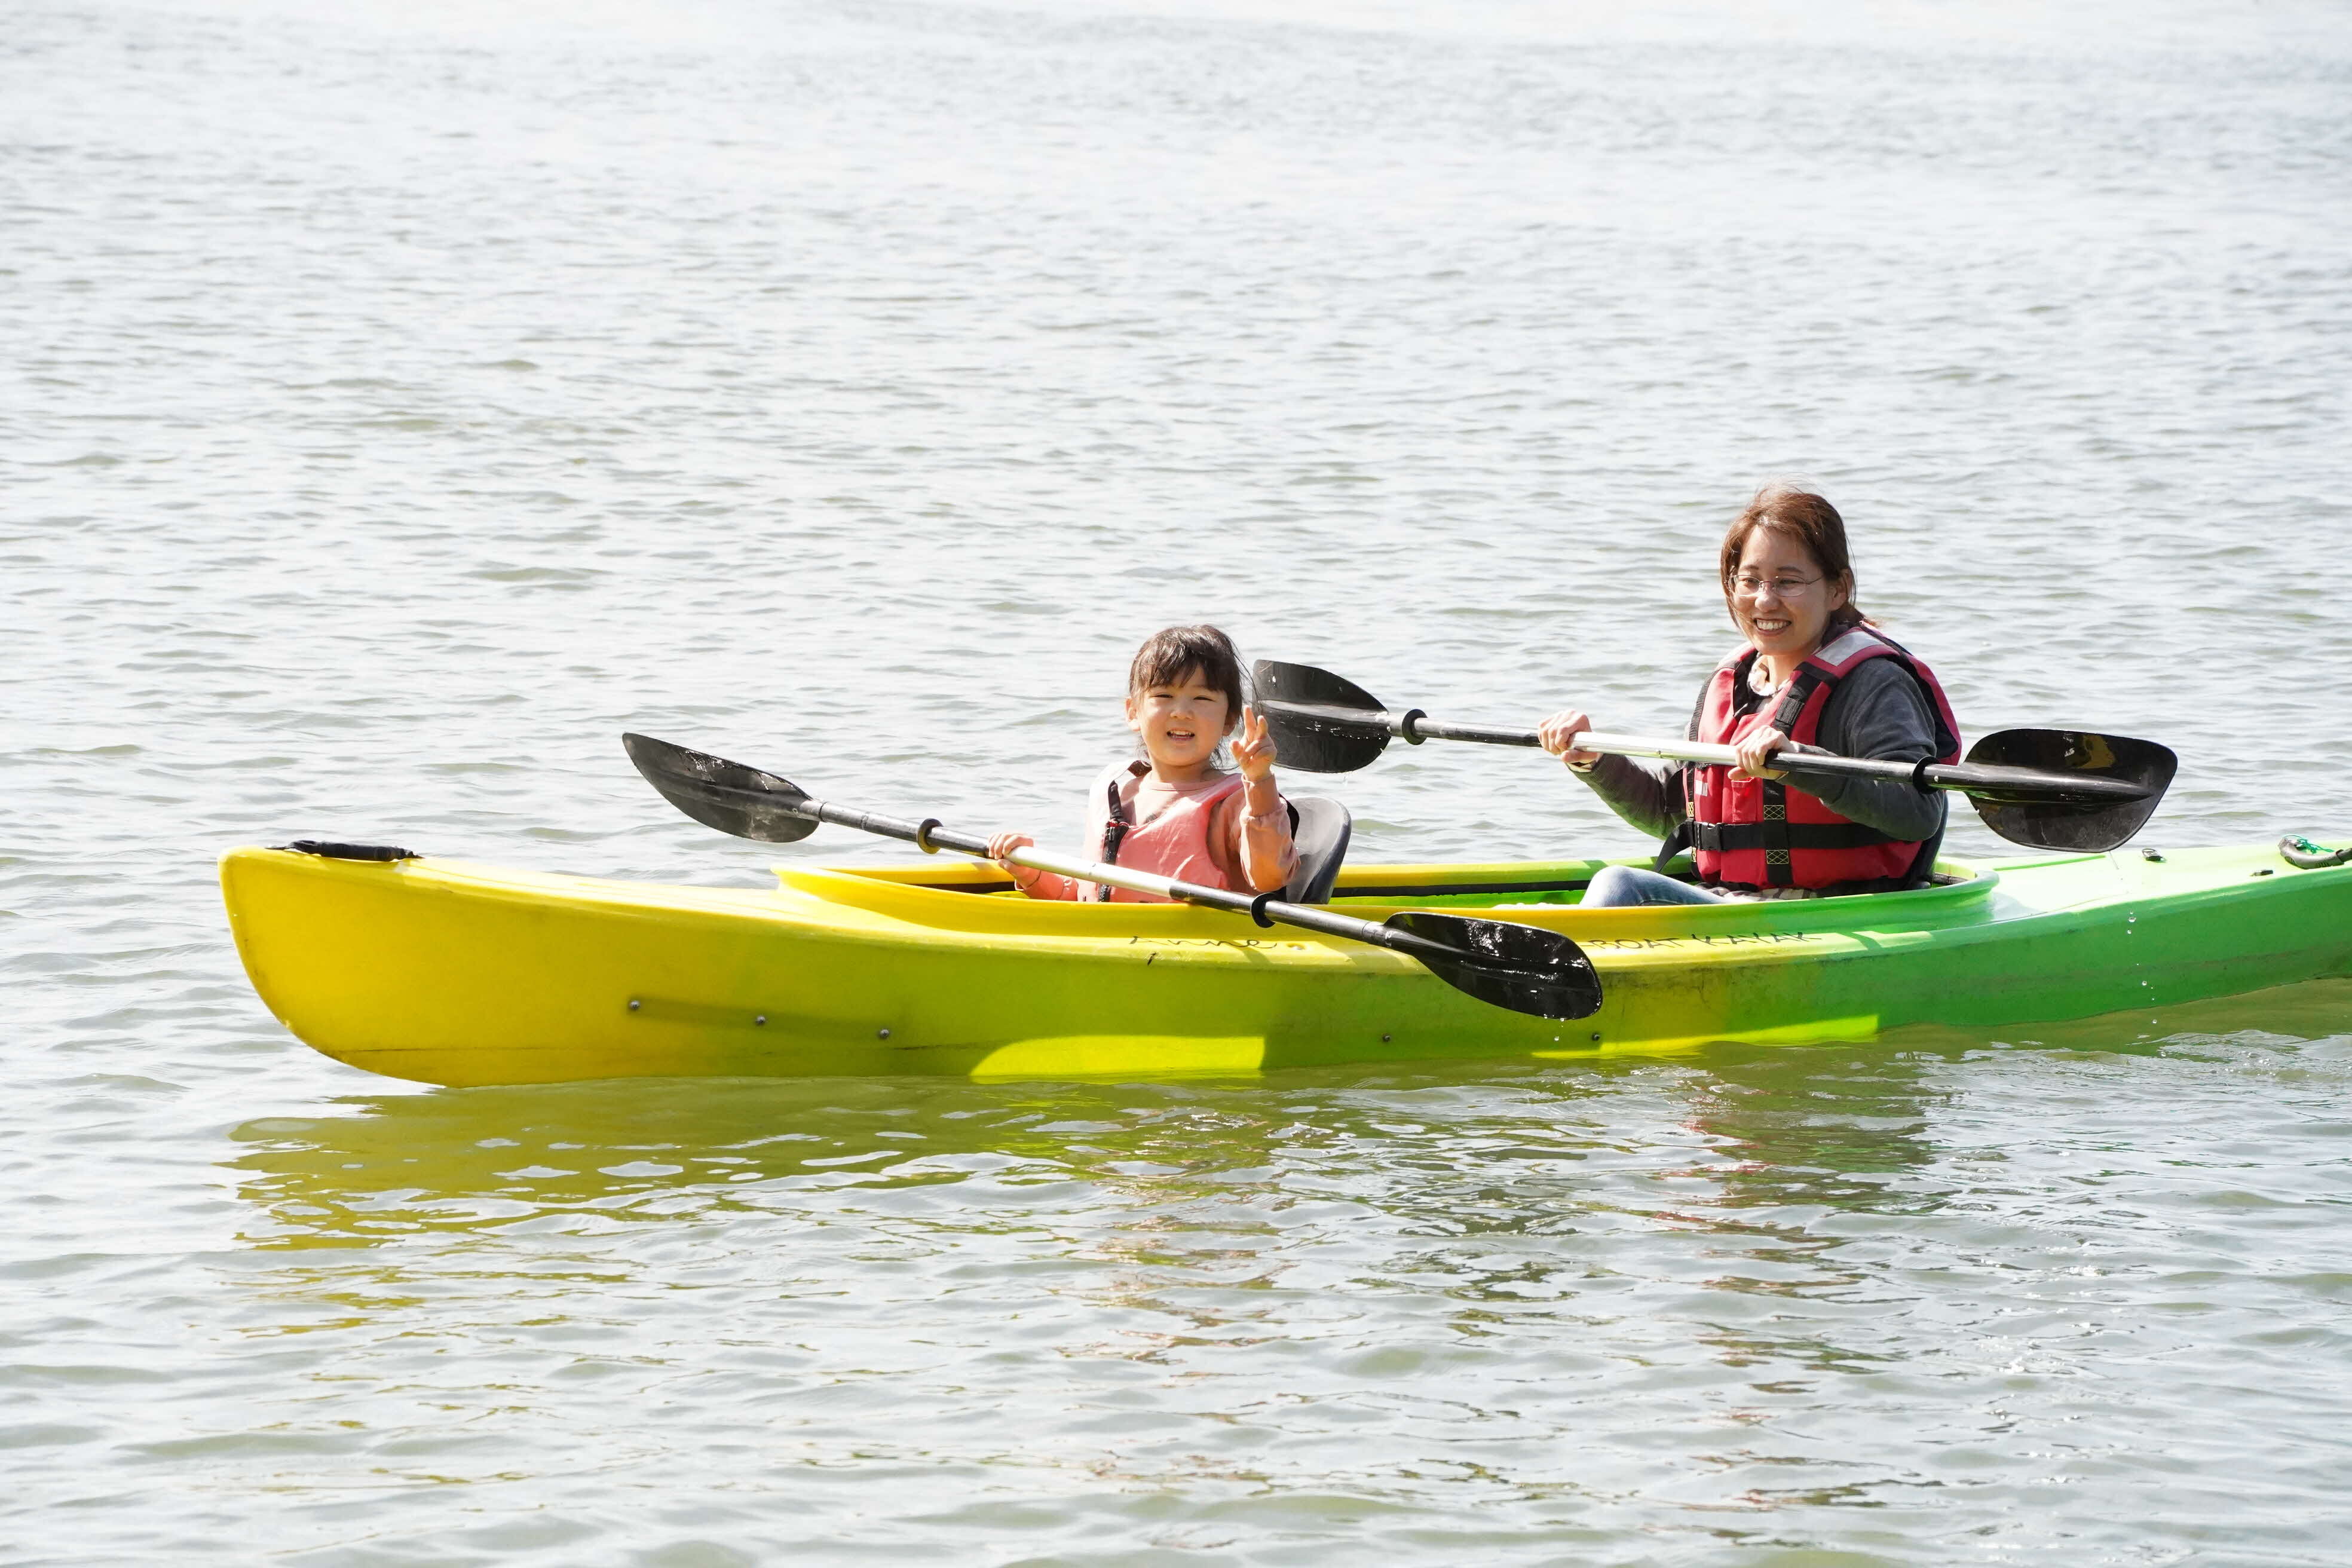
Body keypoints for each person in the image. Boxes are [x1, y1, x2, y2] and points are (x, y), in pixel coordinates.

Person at [1539, 485, 1961, 906]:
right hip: (1736, 908)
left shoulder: (1874, 683)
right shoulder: (1735, 683)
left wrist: (1799, 761)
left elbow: (1917, 814)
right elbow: (1667, 811)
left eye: (1788, 582)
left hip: (1841, 912)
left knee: (1620, 886)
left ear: (1837, 589)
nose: (1765, 600)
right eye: (1750, 581)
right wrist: (1593, 758)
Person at [988, 624, 1298, 901]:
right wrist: (1032, 871)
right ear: (1133, 712)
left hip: (1195, 946)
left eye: (1202, 699)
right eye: (1163, 696)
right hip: (1113, 942)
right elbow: (1081, 895)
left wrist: (1259, 781)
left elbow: (1269, 878)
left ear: (1229, 720)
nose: (1182, 712)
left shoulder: (1237, 800)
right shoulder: (1113, 789)